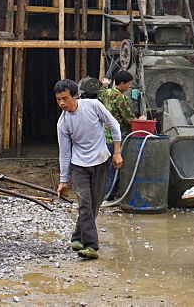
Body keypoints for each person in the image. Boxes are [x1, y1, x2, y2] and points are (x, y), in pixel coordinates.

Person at [55, 79, 123, 259]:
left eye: (65, 98)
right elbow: (64, 153)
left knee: (93, 205)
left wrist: (117, 152)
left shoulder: (93, 106)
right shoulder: (63, 123)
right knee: (84, 203)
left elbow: (114, 125)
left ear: (75, 96)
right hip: (79, 166)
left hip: (100, 161)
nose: (62, 103)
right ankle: (91, 245)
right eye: (58, 99)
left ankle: (77, 237)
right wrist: (63, 180)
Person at [97, 69, 135, 198]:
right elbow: (127, 117)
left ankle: (101, 194)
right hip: (116, 138)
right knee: (115, 170)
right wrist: (138, 121)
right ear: (122, 84)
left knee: (106, 170)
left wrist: (105, 84)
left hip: (103, 137)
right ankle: (108, 197)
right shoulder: (120, 97)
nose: (129, 86)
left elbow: (100, 93)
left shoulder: (106, 93)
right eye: (128, 84)